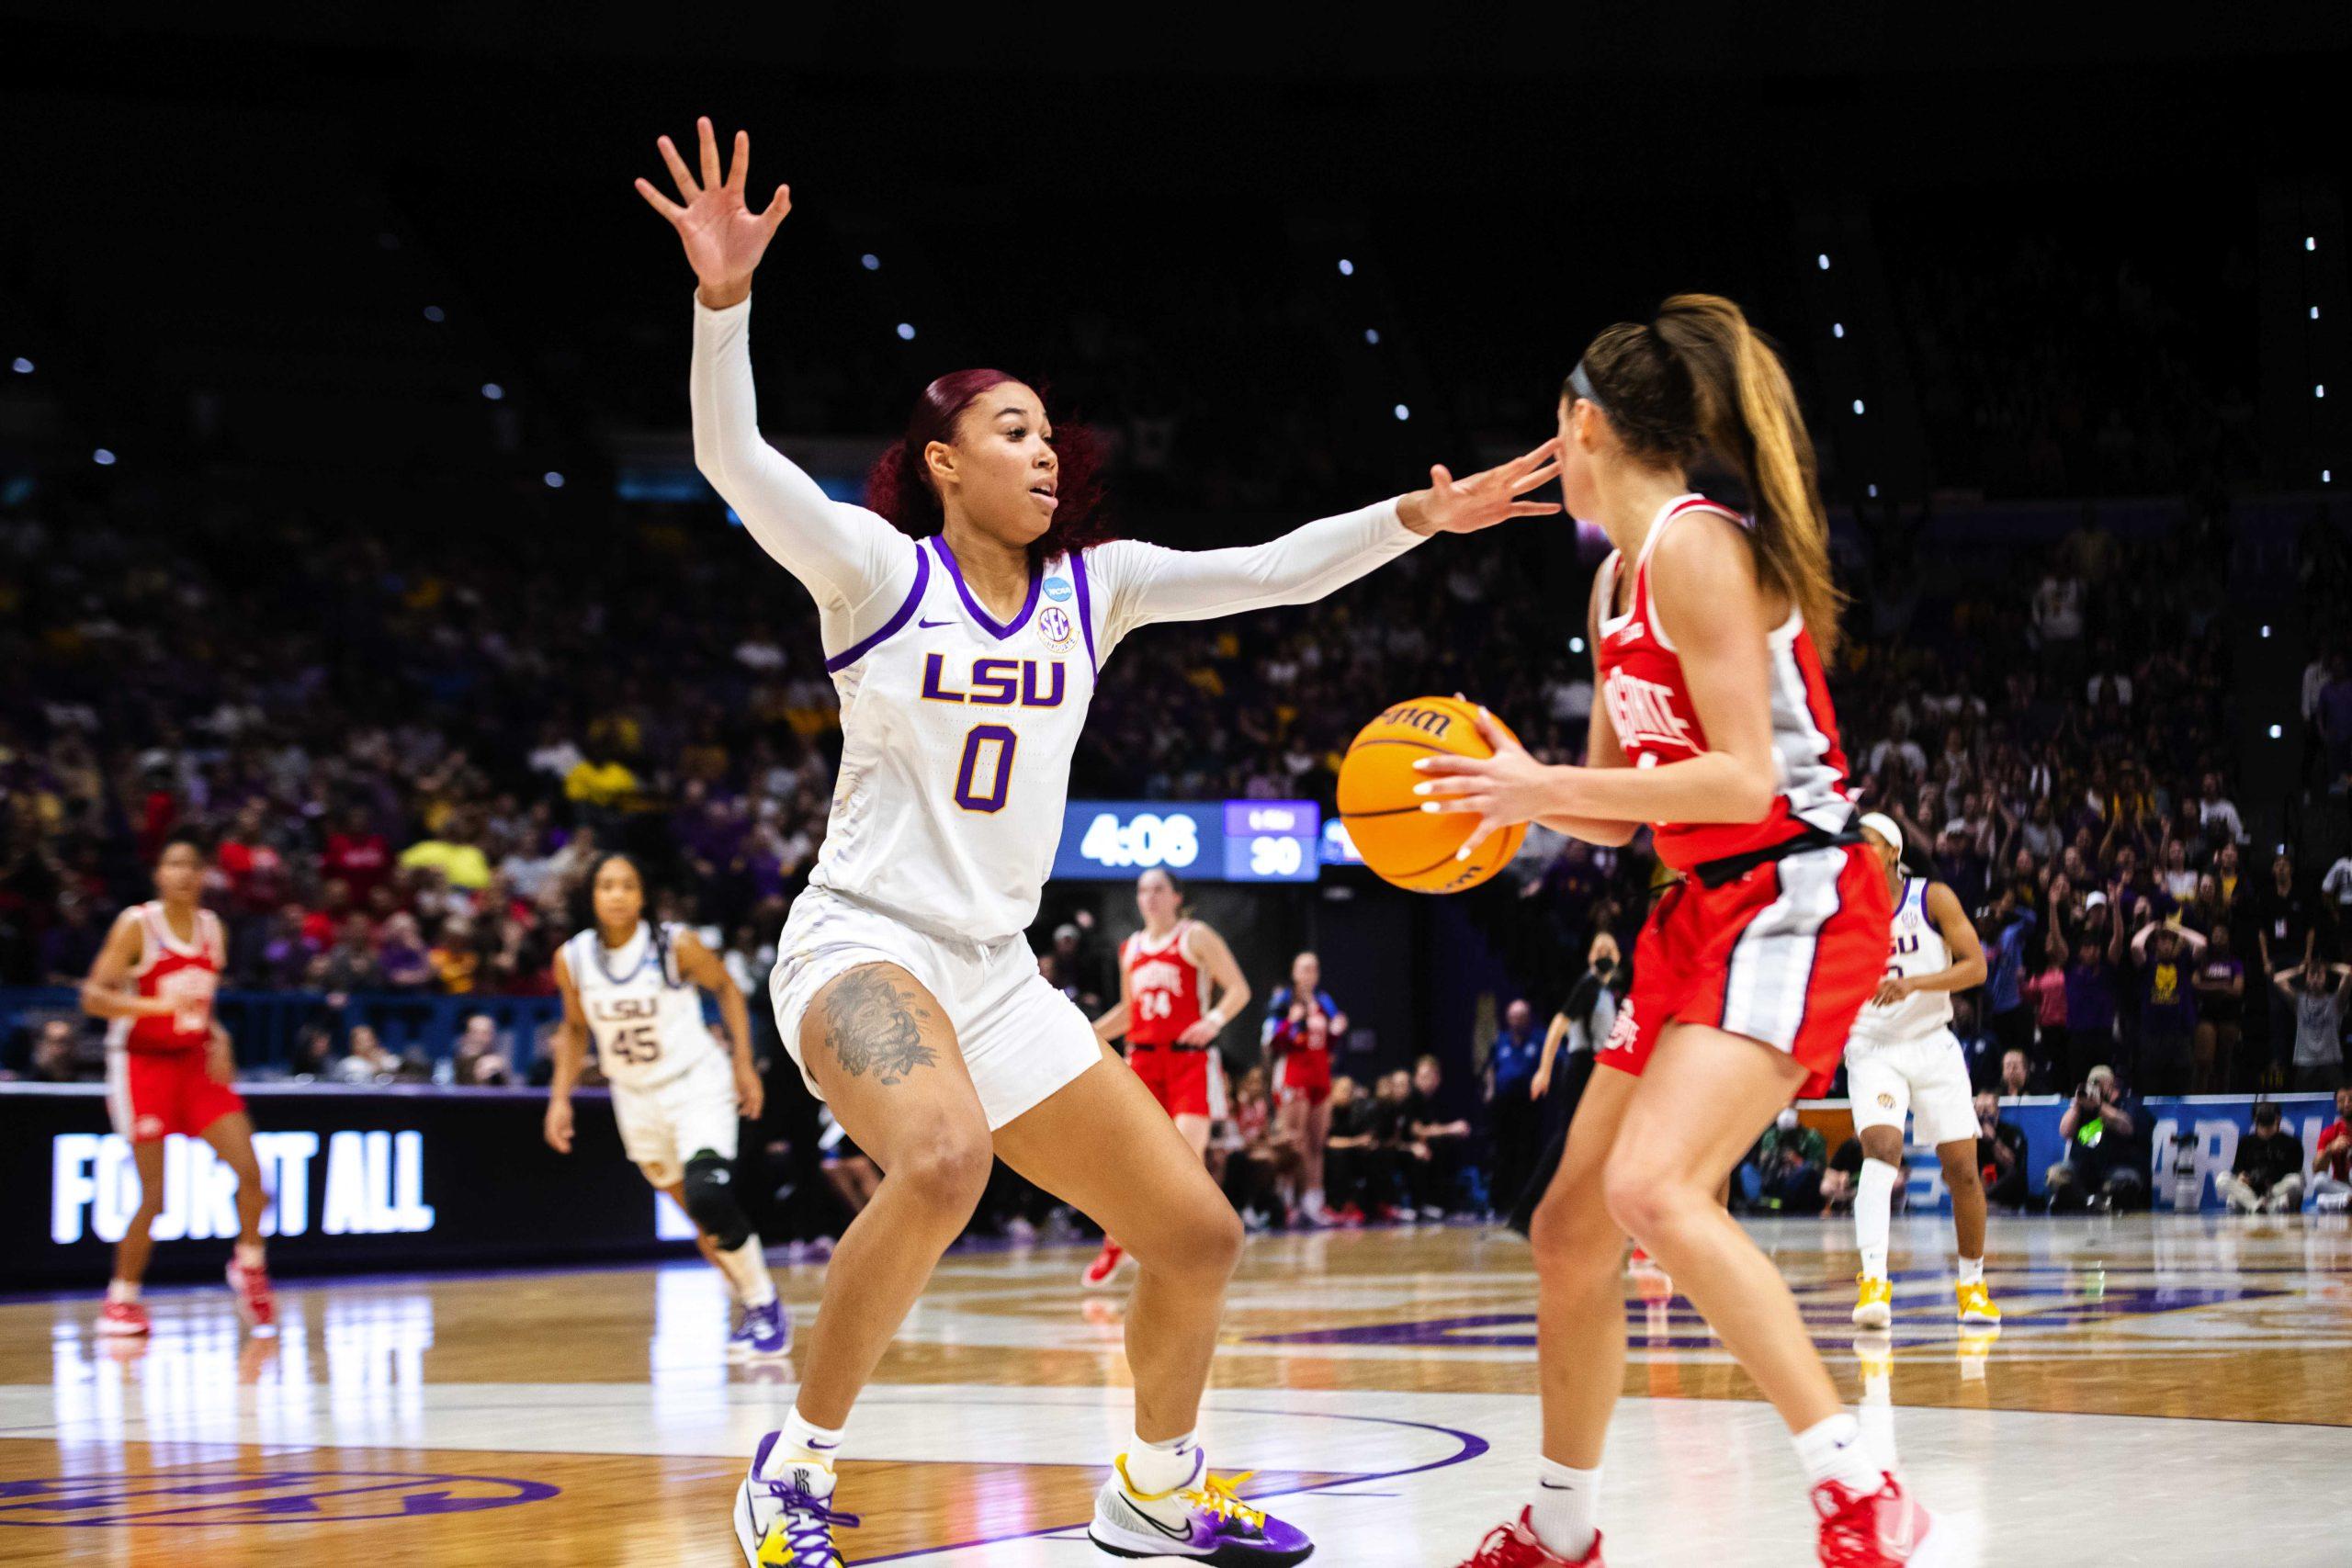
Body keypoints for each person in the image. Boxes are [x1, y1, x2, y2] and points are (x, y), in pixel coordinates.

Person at [637, 116, 1561, 1567]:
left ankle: (1153, 1483)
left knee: (1196, 1229)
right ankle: (792, 1472)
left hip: (995, 971)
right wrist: (723, 297)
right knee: (939, 1161)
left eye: (1051, 431)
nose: (1047, 451)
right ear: (942, 462)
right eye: (1013, 431)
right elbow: (730, 453)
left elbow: (1270, 570)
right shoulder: (877, 570)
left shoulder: (1098, 587)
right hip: (862, 942)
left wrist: (1417, 517)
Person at [1420, 296, 1932, 1564]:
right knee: (1571, 1228)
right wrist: (1518, 793)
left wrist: (1546, 788)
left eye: (1555, 426)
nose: (1553, 446)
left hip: (1797, 888)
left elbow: (1743, 782)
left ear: (1583, 425)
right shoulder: (1608, 580)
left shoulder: (1701, 548)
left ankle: (1863, 1486)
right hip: (1696, 909)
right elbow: (1616, 806)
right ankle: (1561, 1526)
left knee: (1652, 1185)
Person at [545, 852, 786, 1359]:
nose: (616, 895)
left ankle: (765, 1306)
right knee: (701, 1221)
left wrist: (743, 1063)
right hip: (634, 1097)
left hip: (695, 1082)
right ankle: (751, 1304)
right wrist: (559, 1098)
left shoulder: (674, 945)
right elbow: (573, 1028)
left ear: (643, 895)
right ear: (592, 895)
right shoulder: (573, 958)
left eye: (627, 885)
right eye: (606, 885)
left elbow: (727, 990)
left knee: (708, 1197)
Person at [79, 834, 277, 1337]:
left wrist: (219, 1034)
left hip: (194, 1064)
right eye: (174, 864)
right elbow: (93, 997)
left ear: (204, 875)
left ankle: (248, 1265)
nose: (185, 873)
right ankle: (121, 1299)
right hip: (142, 1065)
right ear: (159, 874)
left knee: (253, 1173)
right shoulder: (138, 924)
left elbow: (201, 1003)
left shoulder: (214, 929)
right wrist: (151, 1008)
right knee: (155, 1195)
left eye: (193, 865)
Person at [1842, 814, 2000, 1331]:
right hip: (1873, 1046)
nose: (1856, 851)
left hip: (1932, 1043)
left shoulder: (1932, 898)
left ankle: (1973, 1287)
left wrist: (1915, 985)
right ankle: (1873, 1283)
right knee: (1881, 1151)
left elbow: (1976, 967)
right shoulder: (1842, 906)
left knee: (1962, 1169)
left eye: (1865, 843)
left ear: (1892, 850)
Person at [1084, 867, 1250, 1286]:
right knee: (1132, 1161)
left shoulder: (1195, 936)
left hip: (1190, 1060)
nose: (1150, 897)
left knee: (1183, 1162)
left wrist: (1213, 1020)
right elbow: (1129, 1011)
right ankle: (1117, 1241)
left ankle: (1179, 1246)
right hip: (1143, 1062)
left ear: (1177, 896)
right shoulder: (1132, 948)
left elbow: (1238, 989)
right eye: (1143, 890)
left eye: (1159, 889)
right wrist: (1085, 1033)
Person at [1264, 951, 1350, 1224]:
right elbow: (1273, 1041)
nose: (1308, 974)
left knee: (1316, 1142)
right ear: (1294, 972)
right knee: (1292, 1141)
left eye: (1313, 968)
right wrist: (1291, 1021)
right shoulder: (1283, 1001)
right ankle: (1286, 1200)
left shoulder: (1324, 1002)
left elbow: (1330, 1042)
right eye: (1303, 969)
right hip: (1294, 1075)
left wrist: (1337, 1031)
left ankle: (1314, 1201)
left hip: (1320, 1075)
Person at [2044, 1066, 2144, 1213]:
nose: (2096, 1088)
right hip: (2082, 1168)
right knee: (2055, 1174)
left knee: (2126, 1182)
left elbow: (2126, 1126)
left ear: (2111, 1085)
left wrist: (2099, 1107)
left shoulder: (2125, 1103)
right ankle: (2087, 1201)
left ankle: (2101, 1202)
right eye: (2093, 1083)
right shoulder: (2083, 1107)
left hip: (2116, 1167)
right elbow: (2065, 1132)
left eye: (2101, 1084)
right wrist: (2077, 1106)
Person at [1487, 999, 1545, 1222]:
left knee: (1528, 1154)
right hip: (1503, 1107)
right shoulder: (1500, 1041)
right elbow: (1491, 1068)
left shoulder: (1538, 1039)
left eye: (1521, 1016)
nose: (1516, 1020)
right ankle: (1499, 1204)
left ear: (1528, 1017)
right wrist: (1491, 1089)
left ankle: (1527, 1204)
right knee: (1502, 1155)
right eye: (1513, 1016)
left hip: (1529, 1106)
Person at [1404, 1055, 1474, 1218]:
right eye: (1420, 1076)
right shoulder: (1412, 1099)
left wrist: (1455, 1130)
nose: (1423, 1081)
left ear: (1437, 1079)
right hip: (1405, 1146)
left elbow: (1434, 1127)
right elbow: (1417, 1131)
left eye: (1428, 1076)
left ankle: (1450, 1204)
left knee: (1450, 1144)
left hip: (1426, 1145)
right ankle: (1427, 1204)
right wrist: (1450, 1129)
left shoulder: (1438, 1100)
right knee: (1435, 1146)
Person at [2275, 956, 2351, 1091]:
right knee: (2302, 1103)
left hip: (2331, 1062)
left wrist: (2328, 965)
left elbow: (2348, 972)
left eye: (2319, 974)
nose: (2315, 978)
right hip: (2305, 1063)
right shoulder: (2299, 1001)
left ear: (2326, 978)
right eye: (2312, 974)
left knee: (2340, 1102)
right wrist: (2300, 969)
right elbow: (2277, 979)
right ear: (2306, 978)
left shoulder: (2336, 1001)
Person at [2215, 1100, 2306, 1213]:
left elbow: (2295, 1172)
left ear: (2278, 1120)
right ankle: (2256, 1206)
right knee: (2222, 1179)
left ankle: (2270, 1205)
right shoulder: (2246, 1142)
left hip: (2276, 1191)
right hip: (2251, 1191)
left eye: (2270, 1124)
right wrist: (2241, 1176)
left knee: (2295, 1181)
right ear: (2255, 1122)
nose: (2266, 1129)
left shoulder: (2292, 1143)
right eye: (2262, 1125)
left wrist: (2273, 1185)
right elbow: (2237, 1169)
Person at [2190, 925, 2245, 1093]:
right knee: (2203, 1060)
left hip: (2229, 1016)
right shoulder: (2203, 961)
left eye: (2223, 934)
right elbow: (2195, 984)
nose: (2219, 937)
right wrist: (2222, 986)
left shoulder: (2234, 962)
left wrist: (2208, 987)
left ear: (2228, 939)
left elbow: (2237, 990)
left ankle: (2223, 1099)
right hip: (2206, 1014)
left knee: (2224, 1062)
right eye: (2216, 934)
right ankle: (2198, 1098)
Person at [1973, 1094, 2030, 1209]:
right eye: (1979, 1110)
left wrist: (1993, 1141)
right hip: (1982, 1185)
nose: (1983, 1115)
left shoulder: (2012, 1131)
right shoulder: (1971, 1136)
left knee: (2013, 1173)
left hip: (2007, 1187)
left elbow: (2012, 1164)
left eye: (1987, 1110)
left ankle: (1984, 1198)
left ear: (1997, 1112)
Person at [2311, 1087, 2352, 1212]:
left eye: (2351, 1100)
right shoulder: (2330, 1132)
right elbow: (2316, 1169)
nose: (2346, 1104)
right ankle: (2347, 1199)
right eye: (2341, 1100)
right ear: (2336, 1104)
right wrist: (2329, 1149)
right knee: (2319, 1181)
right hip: (2340, 1186)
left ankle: (2343, 1201)